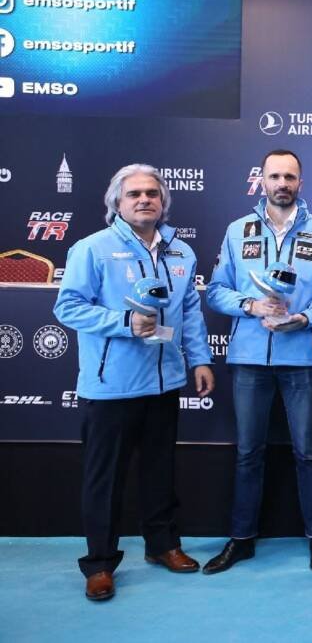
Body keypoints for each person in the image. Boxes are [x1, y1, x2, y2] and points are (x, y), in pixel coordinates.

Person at [54, 164, 214, 602]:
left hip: (164, 384)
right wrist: (124, 322)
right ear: (117, 204)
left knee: (160, 472)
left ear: (163, 202)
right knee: (104, 481)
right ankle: (100, 564)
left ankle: (162, 544)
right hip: (111, 387)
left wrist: (200, 359)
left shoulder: (181, 252)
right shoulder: (93, 248)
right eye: (134, 194)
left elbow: (190, 312)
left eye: (152, 193)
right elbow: (68, 307)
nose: (144, 200)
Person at [203, 149, 312, 575]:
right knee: (248, 453)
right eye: (275, 176)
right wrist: (251, 305)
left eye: (290, 177)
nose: (282, 183)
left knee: (308, 453)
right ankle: (241, 539)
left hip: (301, 358)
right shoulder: (237, 231)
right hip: (249, 359)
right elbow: (215, 291)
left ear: (301, 182)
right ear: (261, 181)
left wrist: (304, 319)